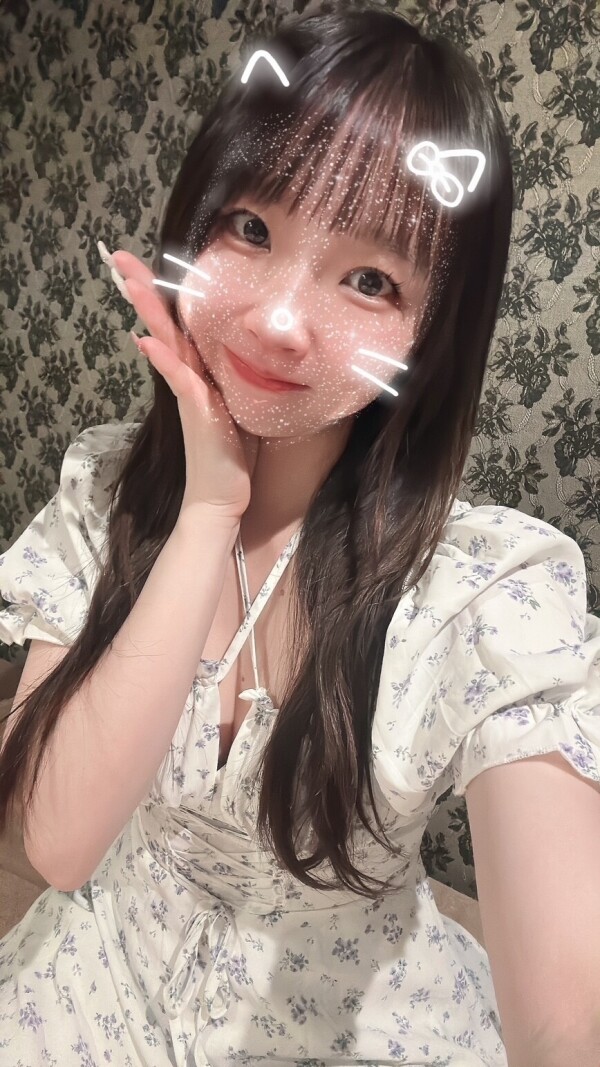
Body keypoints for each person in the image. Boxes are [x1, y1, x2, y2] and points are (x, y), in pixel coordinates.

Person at [0, 5, 598, 1065]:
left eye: (371, 280)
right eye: (251, 228)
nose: (280, 320)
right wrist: (206, 512)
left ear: (433, 331)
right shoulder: (103, 489)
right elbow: (52, 843)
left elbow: (568, 1014)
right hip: (98, 982)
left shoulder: (483, 587)